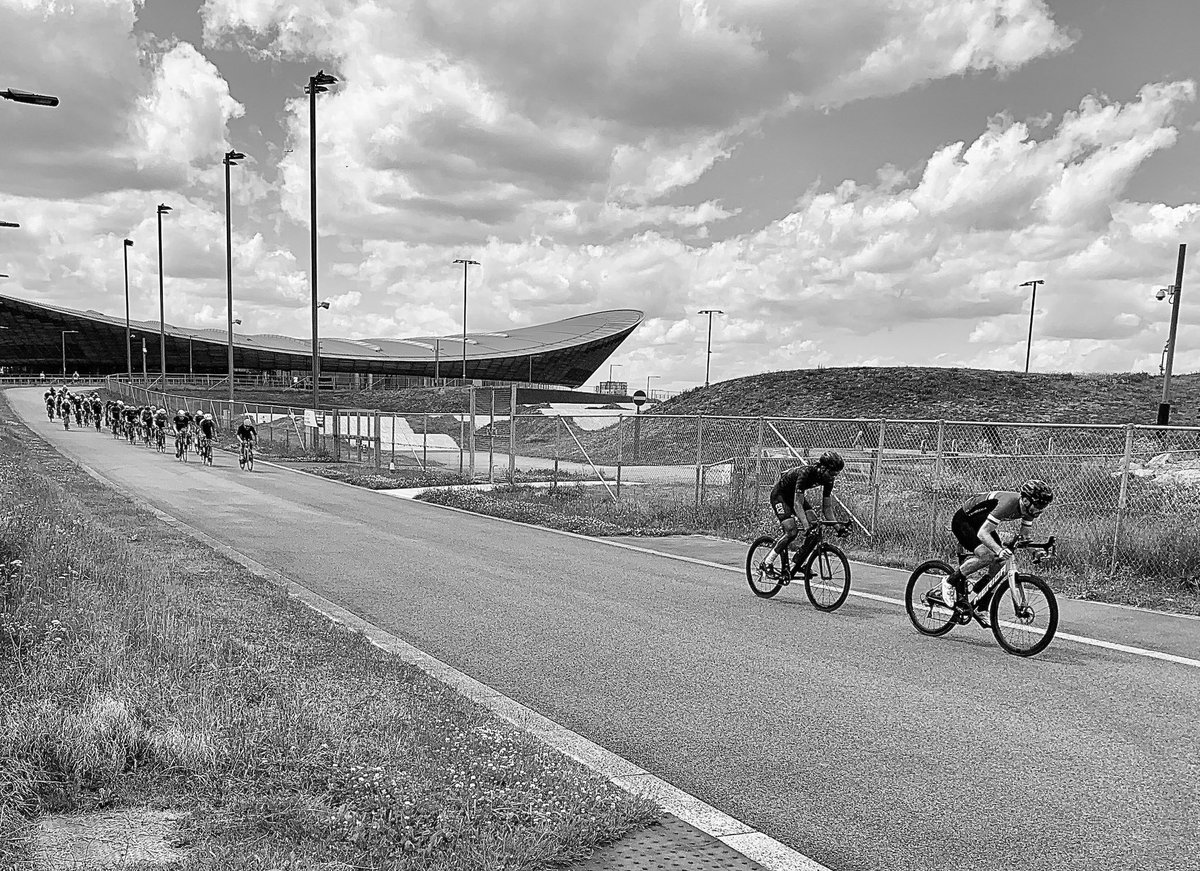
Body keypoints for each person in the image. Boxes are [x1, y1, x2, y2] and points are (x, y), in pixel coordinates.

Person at [940, 479, 1055, 615]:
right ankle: (949, 580)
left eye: (1044, 506)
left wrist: (1035, 552)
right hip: (964, 521)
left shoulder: (1030, 511)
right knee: (988, 555)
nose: (1040, 510)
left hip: (981, 523)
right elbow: (983, 533)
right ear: (1025, 500)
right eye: (1039, 505)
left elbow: (1024, 538)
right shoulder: (1008, 503)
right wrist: (999, 550)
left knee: (1000, 562)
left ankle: (982, 606)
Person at [760, 450, 847, 580]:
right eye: (831, 473)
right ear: (822, 468)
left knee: (815, 526)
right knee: (791, 531)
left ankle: (798, 561)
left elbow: (827, 508)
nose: (833, 477)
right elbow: (797, 505)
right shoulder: (806, 472)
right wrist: (805, 524)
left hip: (794, 496)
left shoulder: (828, 479)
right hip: (780, 496)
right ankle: (767, 562)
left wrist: (838, 527)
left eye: (836, 474)